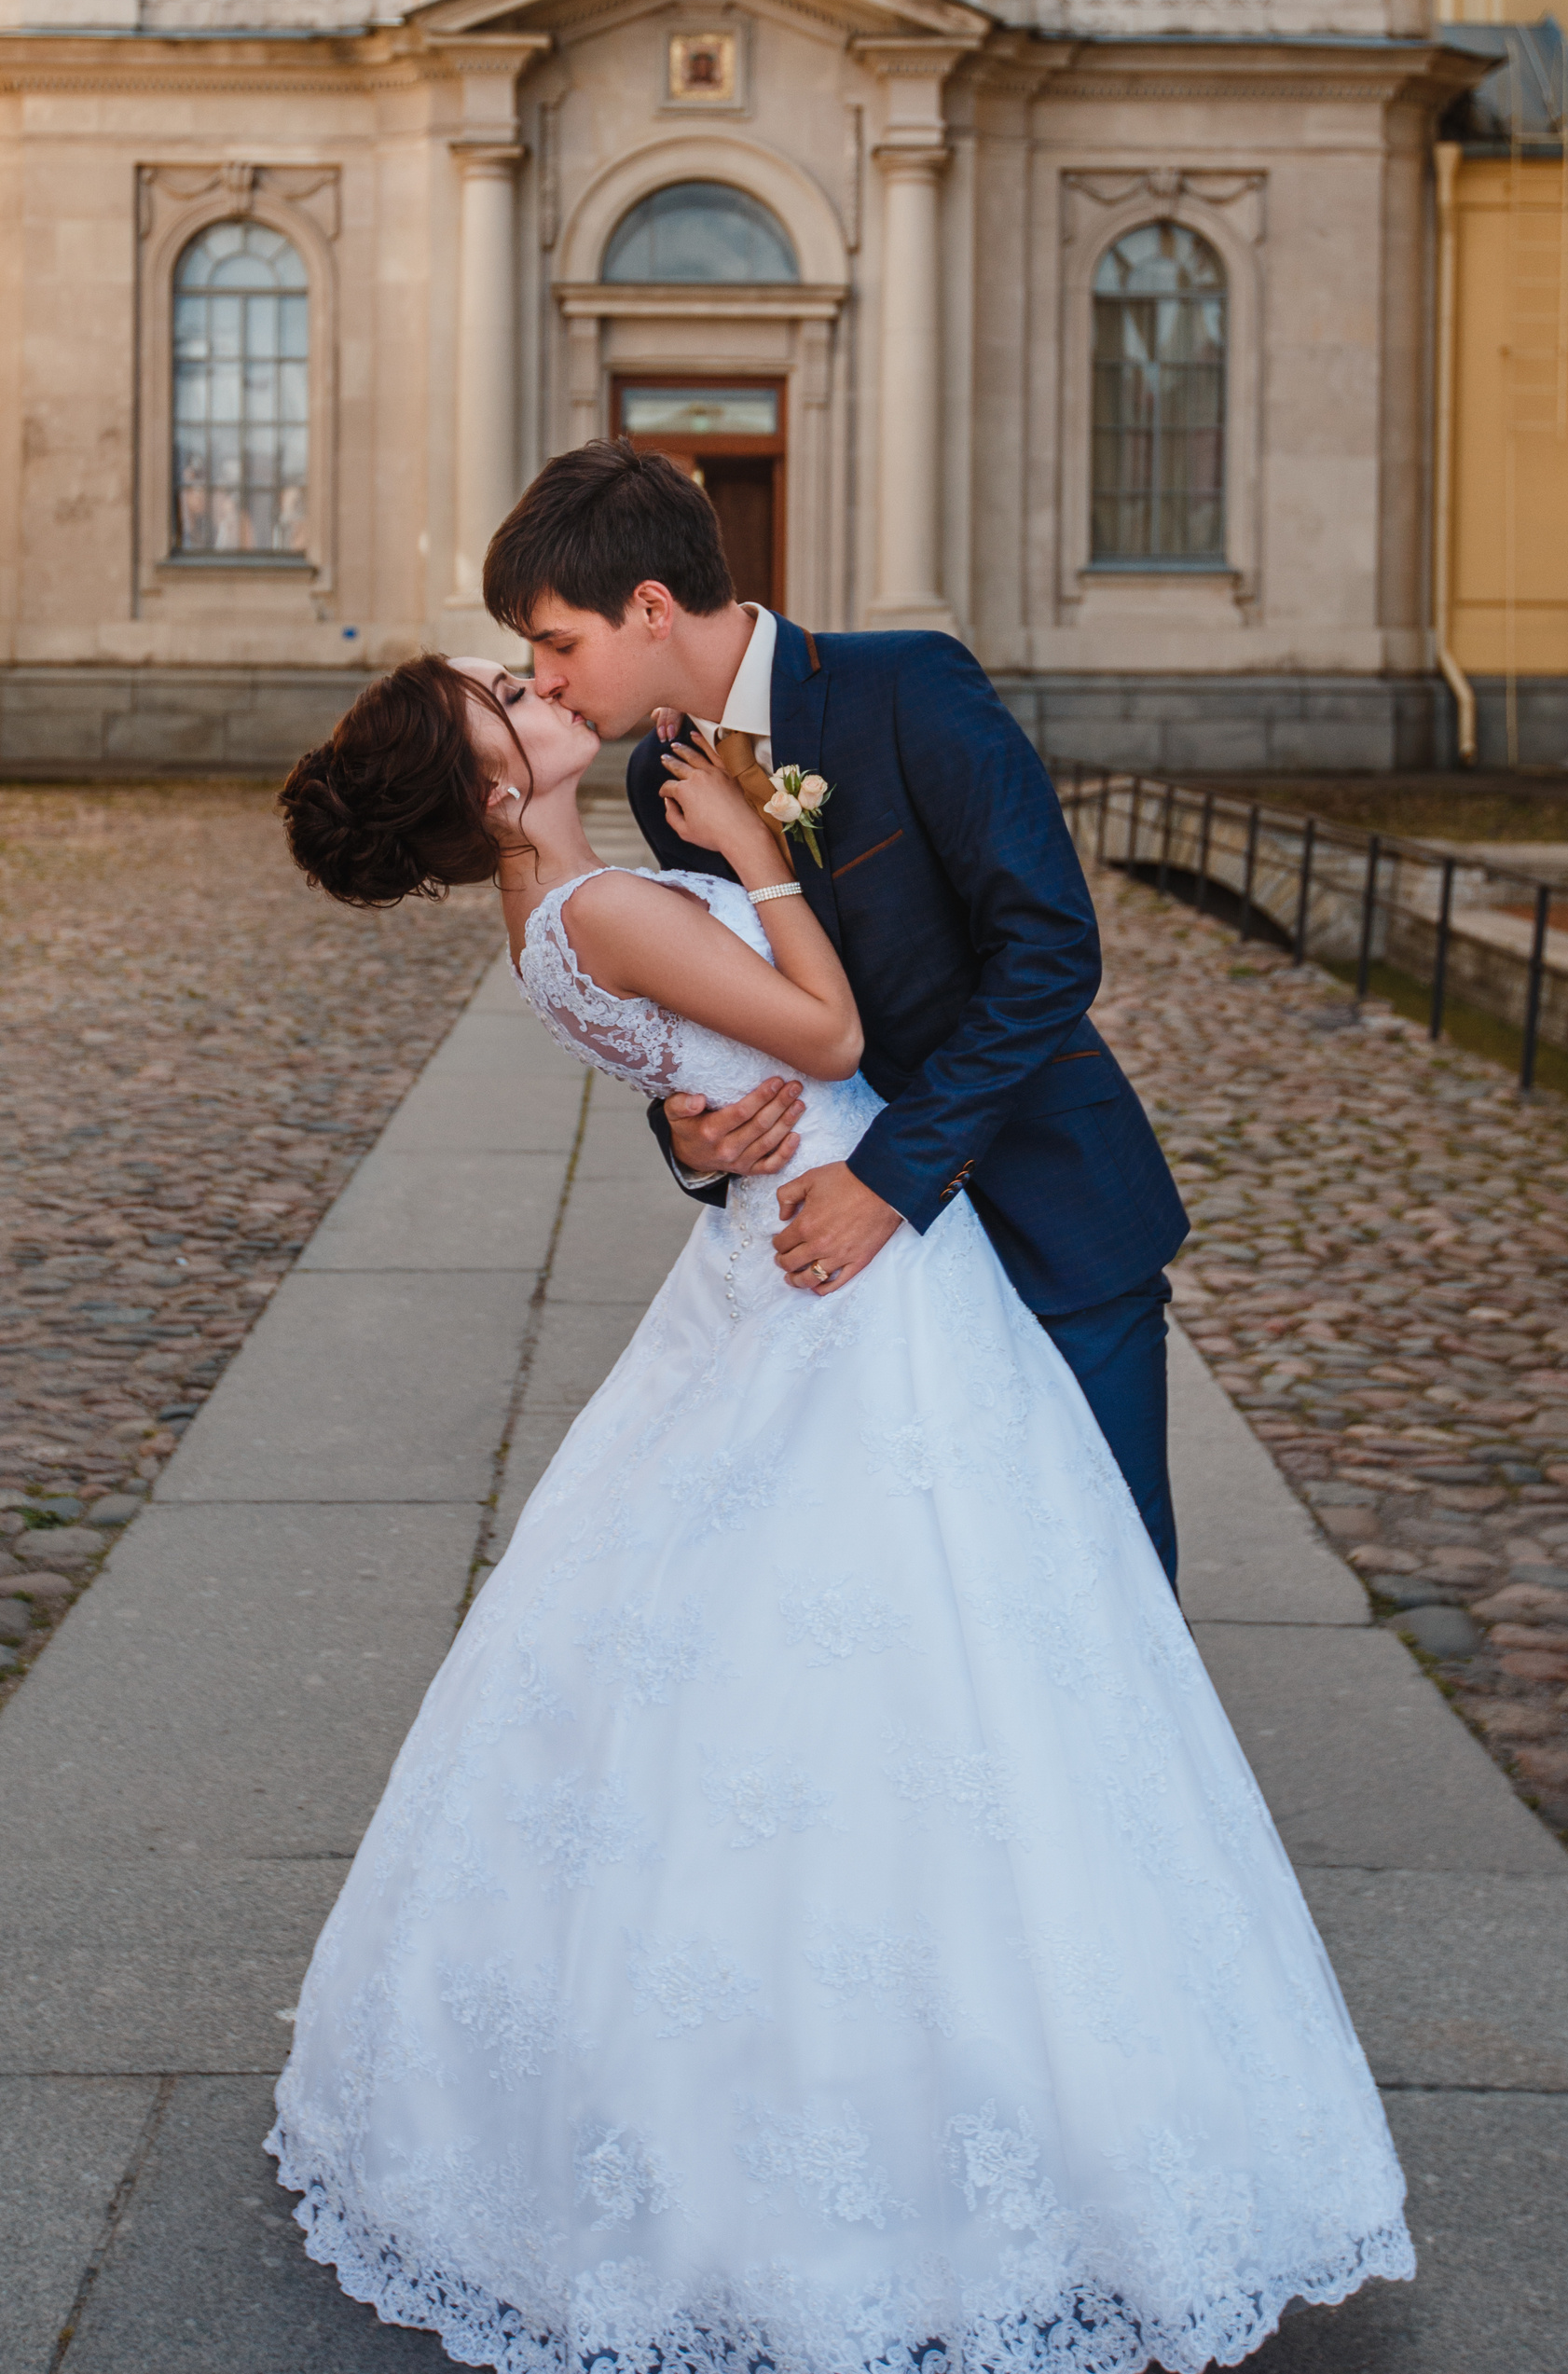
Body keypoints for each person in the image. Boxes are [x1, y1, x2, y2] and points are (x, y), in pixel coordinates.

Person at [266, 643, 1412, 2374]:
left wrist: (698, 1082)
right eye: (507, 693)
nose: (529, 679)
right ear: (496, 783)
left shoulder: (557, 902)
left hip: (795, 1237)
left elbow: (725, 1061)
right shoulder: (597, 896)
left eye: (531, 657)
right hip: (846, 1261)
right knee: (939, 1652)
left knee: (869, 1657)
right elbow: (829, 1036)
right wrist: (765, 854)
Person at [483, 441, 1188, 1579]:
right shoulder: (656, 791)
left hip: (1042, 1213)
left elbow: (1049, 949)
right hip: (865, 1301)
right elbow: (738, 1007)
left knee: (1103, 1590)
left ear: (651, 607)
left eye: (558, 642)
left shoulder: (908, 684)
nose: (547, 678)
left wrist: (889, 1179)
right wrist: (686, 1131)